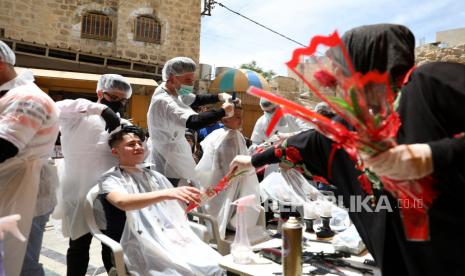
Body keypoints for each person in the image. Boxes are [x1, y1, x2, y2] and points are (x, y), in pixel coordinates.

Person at [231, 24, 465, 276]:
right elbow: (306, 144)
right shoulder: (355, 125)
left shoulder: (430, 82)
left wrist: (432, 155)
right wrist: (253, 160)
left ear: (369, 59)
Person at [98, 126, 224, 275]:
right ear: (115, 151)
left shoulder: (154, 176)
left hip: (168, 236)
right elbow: (122, 202)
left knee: (216, 265)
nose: (138, 147)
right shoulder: (110, 179)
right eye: (131, 144)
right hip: (138, 243)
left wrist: (198, 197)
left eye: (139, 143)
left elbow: (175, 207)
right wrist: (168, 193)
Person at [55, 74, 132, 275]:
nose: (119, 104)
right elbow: (57, 107)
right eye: (114, 98)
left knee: (112, 247)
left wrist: (137, 139)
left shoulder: (122, 123)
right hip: (79, 192)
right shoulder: (78, 117)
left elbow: (135, 157)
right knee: (79, 245)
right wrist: (101, 109)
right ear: (100, 93)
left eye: (123, 100)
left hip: (111, 195)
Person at [0, 40, 59, 276]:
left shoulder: (28, 98)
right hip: (11, 190)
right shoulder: (9, 96)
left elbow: (4, 146)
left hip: (25, 194)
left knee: (21, 262)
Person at [147, 57, 236, 187]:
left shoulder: (173, 89)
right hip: (167, 155)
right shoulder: (164, 101)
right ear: (172, 78)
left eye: (192, 79)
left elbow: (192, 99)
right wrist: (223, 111)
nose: (191, 83)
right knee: (170, 190)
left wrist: (218, 96)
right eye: (187, 80)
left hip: (175, 149)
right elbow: (194, 122)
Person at [195, 106, 261, 239]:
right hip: (221, 180)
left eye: (241, 117)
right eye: (236, 117)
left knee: (230, 206)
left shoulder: (237, 135)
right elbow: (223, 163)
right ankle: (215, 232)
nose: (240, 120)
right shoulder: (225, 137)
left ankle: (224, 227)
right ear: (225, 119)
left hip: (234, 179)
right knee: (218, 207)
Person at [250, 98, 310, 177]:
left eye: (273, 109)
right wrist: (261, 146)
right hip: (274, 164)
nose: (271, 113)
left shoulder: (292, 114)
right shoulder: (261, 122)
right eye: (268, 111)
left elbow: (309, 131)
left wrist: (287, 136)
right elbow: (255, 143)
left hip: (297, 160)